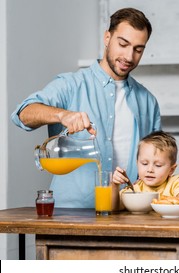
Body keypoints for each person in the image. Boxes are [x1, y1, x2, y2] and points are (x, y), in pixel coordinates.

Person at [10, 8, 161, 208]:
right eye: (123, 44)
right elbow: (22, 114)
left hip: (128, 215)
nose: (129, 56)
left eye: (138, 49)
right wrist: (61, 115)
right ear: (107, 38)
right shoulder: (71, 85)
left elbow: (157, 161)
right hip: (71, 215)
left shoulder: (148, 102)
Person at [113, 131, 179, 199]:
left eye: (158, 165)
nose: (150, 169)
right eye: (144, 164)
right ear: (137, 164)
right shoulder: (135, 188)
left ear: (171, 170)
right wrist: (115, 185)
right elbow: (114, 207)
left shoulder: (175, 183)